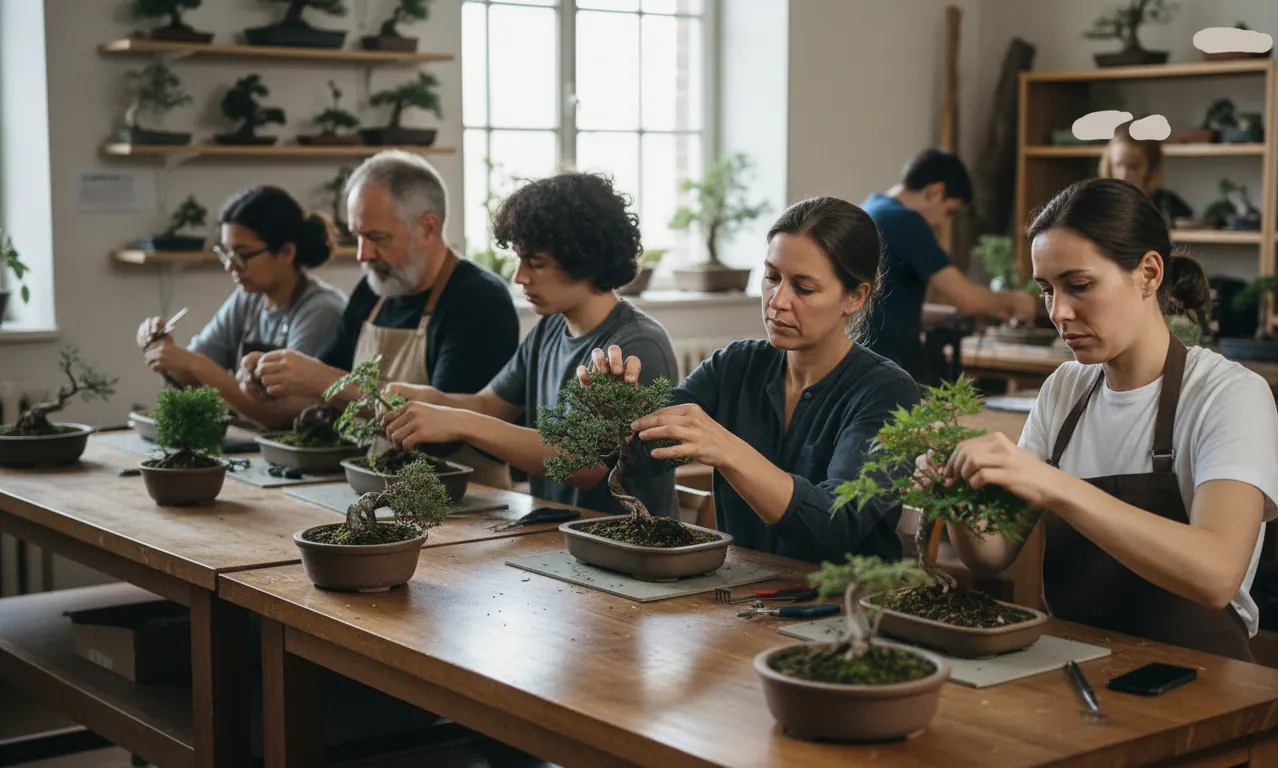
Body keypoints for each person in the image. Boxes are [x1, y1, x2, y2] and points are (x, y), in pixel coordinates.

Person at [938, 178, 1278, 661]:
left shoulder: (1228, 394)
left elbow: (1216, 574)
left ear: (1149, 273)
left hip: (1200, 679)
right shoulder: (1065, 390)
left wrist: (1055, 485)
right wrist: (956, 492)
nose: (1059, 312)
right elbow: (991, 553)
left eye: (1078, 286)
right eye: (1046, 290)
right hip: (1074, 666)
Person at [582, 197, 922, 563]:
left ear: (855, 296)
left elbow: (835, 529)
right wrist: (617, 416)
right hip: (739, 595)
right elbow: (646, 461)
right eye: (772, 278)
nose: (777, 301)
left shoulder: (888, 392)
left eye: (804, 288)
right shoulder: (735, 365)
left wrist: (730, 451)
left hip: (845, 606)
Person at [377, 172, 679, 517]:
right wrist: (430, 399)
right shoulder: (550, 328)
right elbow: (490, 405)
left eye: (535, 263)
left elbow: (582, 465)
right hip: (555, 539)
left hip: (626, 549)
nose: (519, 277)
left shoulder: (635, 344)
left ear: (586, 261)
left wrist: (459, 422)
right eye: (519, 260)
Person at [238, 150, 519, 485]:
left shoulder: (479, 300)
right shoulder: (373, 290)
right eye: (357, 236)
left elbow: (440, 434)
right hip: (374, 486)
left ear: (427, 227)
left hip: (465, 501)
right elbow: (318, 394)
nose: (362, 254)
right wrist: (274, 380)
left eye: (376, 238)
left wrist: (323, 380)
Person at [134, 186, 347, 426]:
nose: (230, 266)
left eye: (242, 254)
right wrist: (164, 352)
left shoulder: (322, 309)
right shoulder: (249, 298)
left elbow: (286, 414)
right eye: (226, 253)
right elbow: (193, 378)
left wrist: (195, 364)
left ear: (286, 252)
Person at [861, 148, 1037, 380]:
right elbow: (969, 299)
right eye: (949, 211)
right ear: (936, 192)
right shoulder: (905, 222)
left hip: (865, 354)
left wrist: (948, 315)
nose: (943, 224)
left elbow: (885, 306)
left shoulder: (871, 209)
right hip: (882, 363)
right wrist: (1019, 302)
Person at [1100, 123, 1194, 225]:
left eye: (1134, 167)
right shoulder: (1100, 203)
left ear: (1152, 167)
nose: (1124, 174)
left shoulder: (1167, 204)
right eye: (1118, 165)